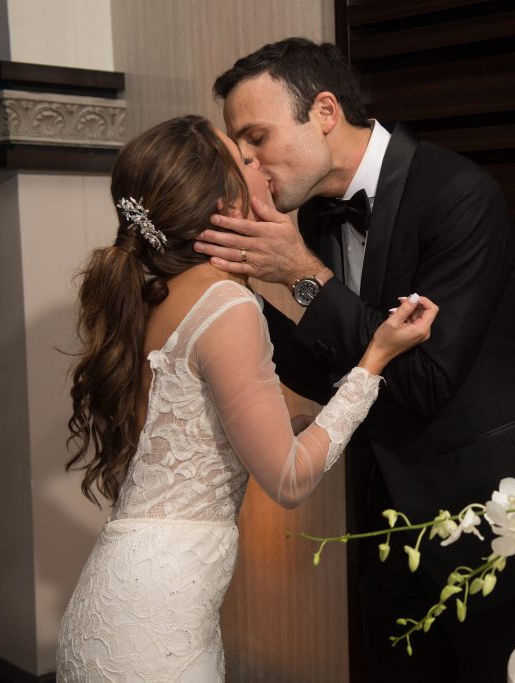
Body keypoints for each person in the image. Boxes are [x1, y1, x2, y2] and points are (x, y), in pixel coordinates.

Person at [194, 38, 515, 682]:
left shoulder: (459, 194)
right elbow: (330, 374)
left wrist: (308, 278)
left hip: (496, 523)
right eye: (241, 147)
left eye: (256, 137)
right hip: (385, 529)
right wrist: (239, 296)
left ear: (323, 111)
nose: (249, 162)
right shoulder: (309, 216)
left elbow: (426, 380)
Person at [56, 114, 436, 682]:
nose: (259, 164)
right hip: (154, 622)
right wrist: (374, 358)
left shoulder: (157, 294)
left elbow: (198, 426)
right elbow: (288, 480)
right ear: (228, 209)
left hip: (119, 597)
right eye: (246, 160)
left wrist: (299, 419)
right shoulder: (226, 307)